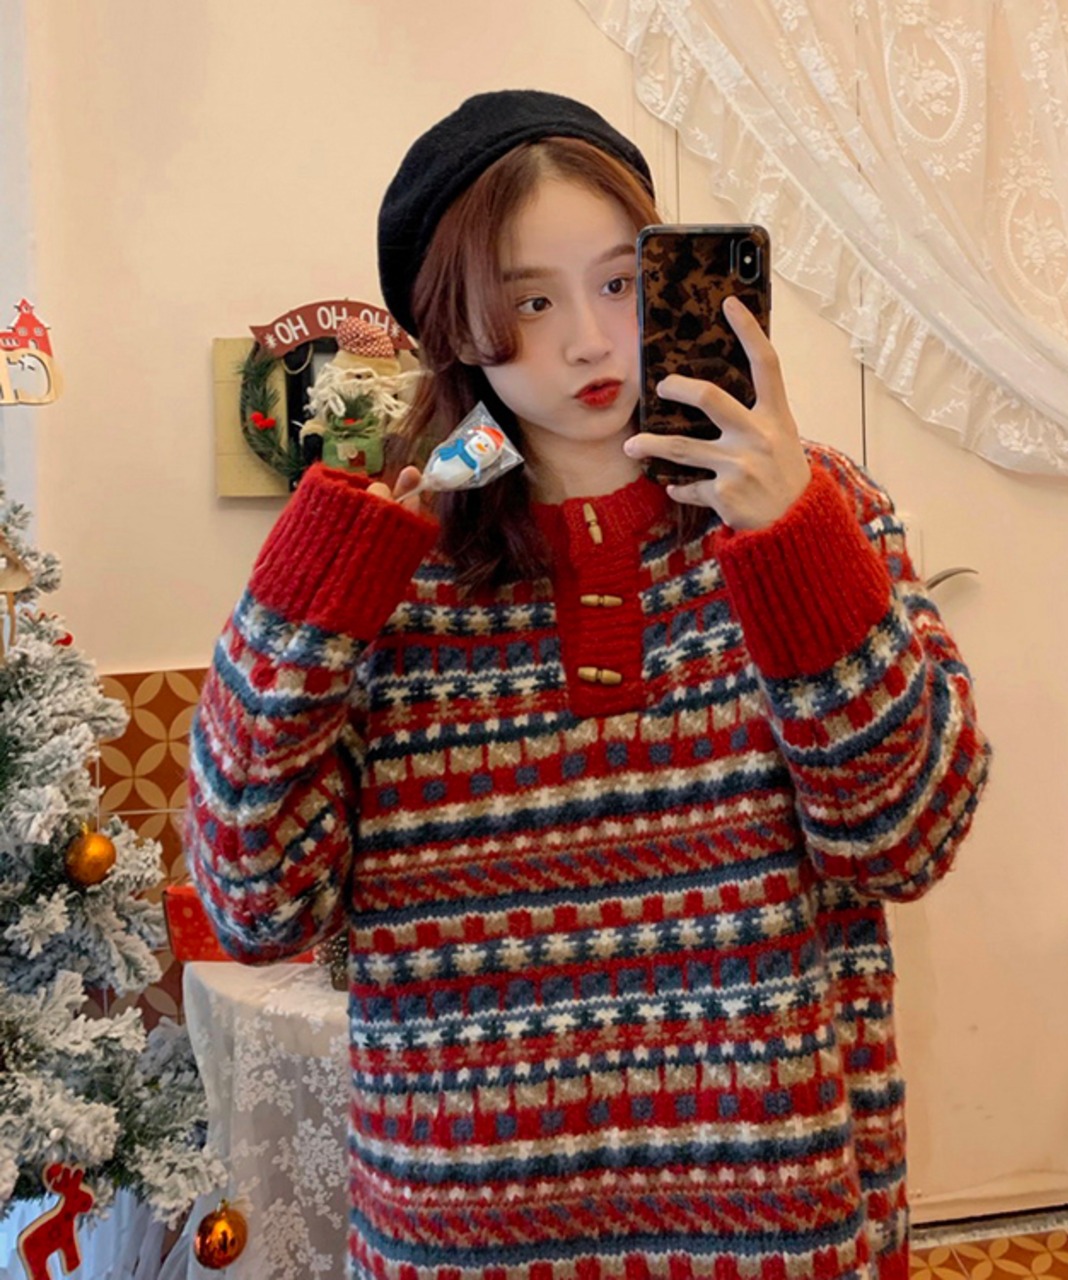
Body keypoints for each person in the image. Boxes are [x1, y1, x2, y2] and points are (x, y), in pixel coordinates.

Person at [186, 89, 991, 1280]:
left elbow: (904, 841)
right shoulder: (393, 572)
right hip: (463, 1231)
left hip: (769, 1217)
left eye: (619, 282)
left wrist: (791, 538)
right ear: (452, 326)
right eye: (528, 299)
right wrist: (313, 593)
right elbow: (256, 906)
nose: (587, 341)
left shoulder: (812, 507)